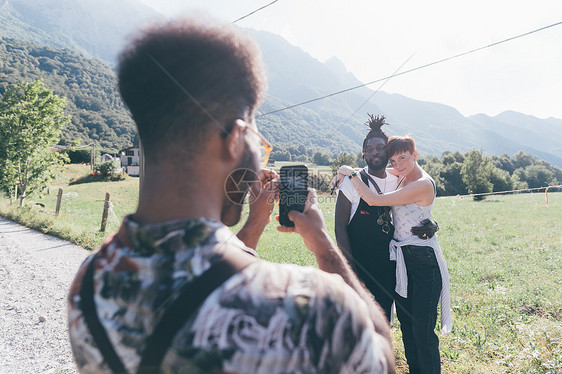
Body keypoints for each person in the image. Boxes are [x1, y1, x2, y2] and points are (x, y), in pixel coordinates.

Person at [67, 17, 396, 374]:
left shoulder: (89, 283)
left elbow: (201, 268)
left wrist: (254, 222)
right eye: (258, 142)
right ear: (236, 139)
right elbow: (380, 354)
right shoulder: (309, 306)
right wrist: (324, 247)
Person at [335, 136, 452, 374]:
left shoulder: (420, 182)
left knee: (421, 330)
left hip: (422, 261)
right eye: (394, 159)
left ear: (415, 154)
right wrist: (345, 170)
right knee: (408, 327)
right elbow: (375, 170)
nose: (398, 164)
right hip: (402, 261)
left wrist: (350, 173)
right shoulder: (400, 176)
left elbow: (375, 199)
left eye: (403, 158)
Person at [334, 114, 438, 322]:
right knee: (356, 319)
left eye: (380, 147)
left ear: (387, 151)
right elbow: (339, 228)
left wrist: (433, 224)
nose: (374, 152)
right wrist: (350, 267)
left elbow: (414, 206)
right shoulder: (351, 182)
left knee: (382, 318)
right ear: (363, 154)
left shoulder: (396, 179)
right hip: (359, 261)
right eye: (369, 149)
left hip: (387, 261)